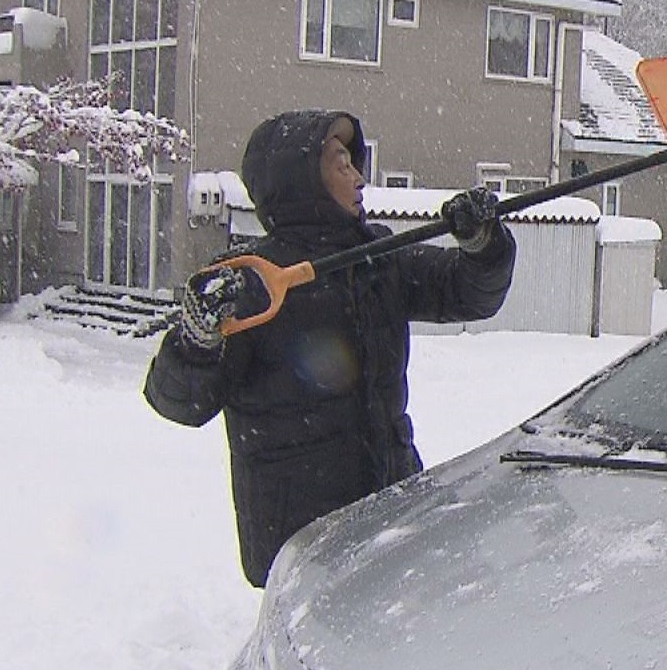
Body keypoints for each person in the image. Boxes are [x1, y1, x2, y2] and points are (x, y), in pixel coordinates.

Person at [144, 110, 516, 587]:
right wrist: (197, 338)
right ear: (302, 182)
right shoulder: (249, 280)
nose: (359, 177)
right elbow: (179, 402)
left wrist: (484, 245)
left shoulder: (375, 255)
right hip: (304, 532)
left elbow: (466, 292)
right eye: (342, 165)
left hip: (390, 507)